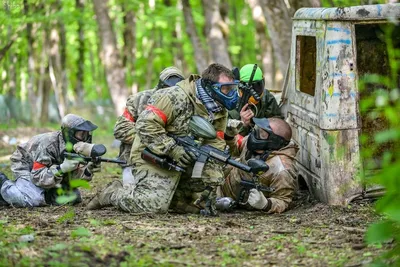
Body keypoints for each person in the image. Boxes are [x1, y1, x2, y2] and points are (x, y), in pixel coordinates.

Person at [87, 63, 239, 216]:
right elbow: (145, 125)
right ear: (209, 86)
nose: (231, 93)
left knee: (208, 181)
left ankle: (174, 197)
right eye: (226, 88)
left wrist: (211, 180)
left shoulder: (218, 108)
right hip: (150, 154)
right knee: (153, 206)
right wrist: (173, 149)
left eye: (232, 88)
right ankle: (112, 193)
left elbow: (215, 143)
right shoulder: (175, 97)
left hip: (184, 158)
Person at [0, 114, 101, 207]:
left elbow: (72, 180)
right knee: (33, 199)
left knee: (73, 197)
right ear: (69, 133)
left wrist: (88, 170)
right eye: (82, 134)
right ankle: (3, 183)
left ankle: (41, 193)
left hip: (47, 169)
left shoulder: (75, 147)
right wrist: (61, 169)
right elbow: (37, 176)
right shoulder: (48, 144)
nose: (85, 138)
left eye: (87, 134)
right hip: (25, 165)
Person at [113, 67, 185, 185]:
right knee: (133, 193)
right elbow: (121, 129)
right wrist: (155, 137)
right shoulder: (139, 100)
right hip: (135, 160)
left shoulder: (184, 104)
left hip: (169, 162)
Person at [219, 117, 299, 213]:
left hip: (233, 203)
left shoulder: (282, 169)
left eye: (262, 133)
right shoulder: (253, 141)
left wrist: (265, 204)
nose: (256, 133)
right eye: (258, 129)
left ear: (273, 141)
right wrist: (230, 135)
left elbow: (283, 201)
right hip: (222, 185)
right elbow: (236, 149)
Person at [228, 64, 281, 137]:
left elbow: (278, 123)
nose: (253, 93)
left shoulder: (267, 98)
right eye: (248, 90)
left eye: (257, 86)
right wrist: (243, 124)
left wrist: (264, 127)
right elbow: (229, 137)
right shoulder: (230, 103)